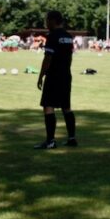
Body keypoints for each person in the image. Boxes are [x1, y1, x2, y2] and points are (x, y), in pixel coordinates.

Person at [35, 10, 77, 149]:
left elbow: (47, 58)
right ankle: (72, 138)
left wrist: (41, 76)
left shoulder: (52, 37)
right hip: (66, 75)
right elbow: (70, 58)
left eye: (47, 20)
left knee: (48, 106)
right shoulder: (68, 36)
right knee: (66, 107)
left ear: (53, 20)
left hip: (53, 76)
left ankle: (50, 141)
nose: (46, 23)